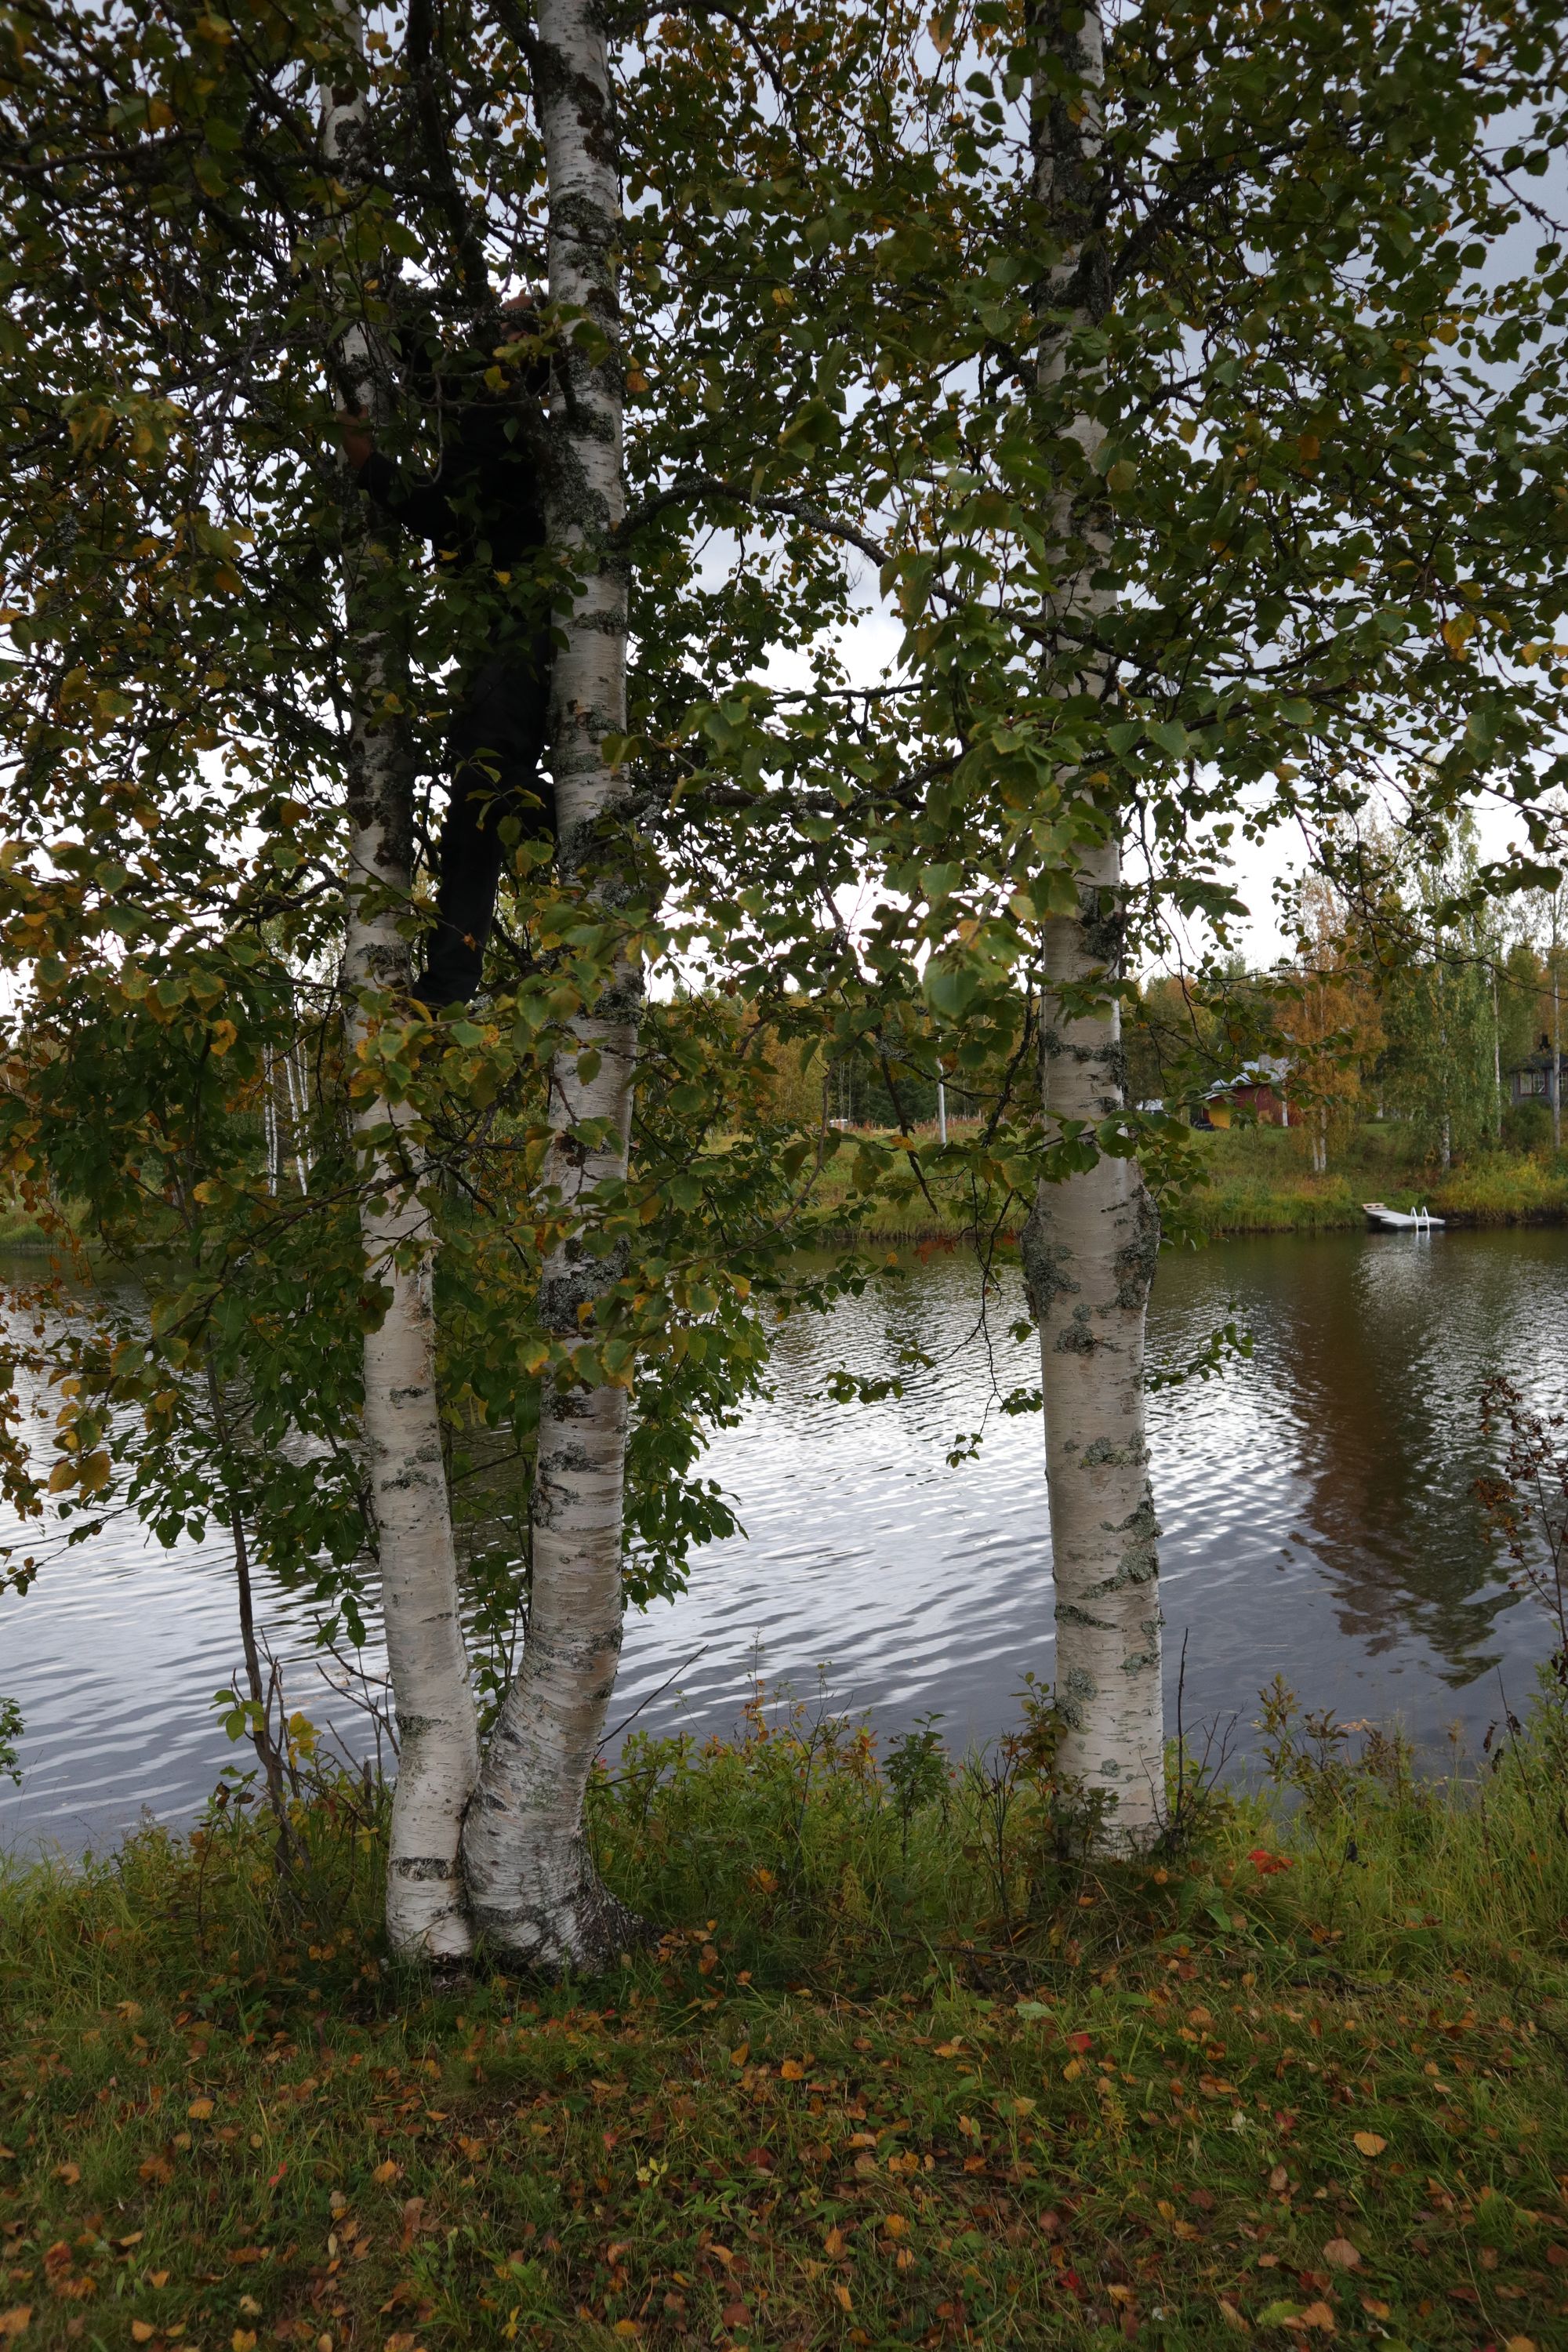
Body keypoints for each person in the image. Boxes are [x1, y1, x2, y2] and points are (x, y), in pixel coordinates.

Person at [339, 294, 553, 1008]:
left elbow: (452, 510)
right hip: (491, 633)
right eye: (499, 321)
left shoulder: (515, 423)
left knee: (486, 786)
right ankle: (451, 982)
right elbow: (451, 516)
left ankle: (594, 826)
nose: (500, 329)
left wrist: (371, 465)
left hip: (523, 628)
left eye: (517, 326)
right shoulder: (477, 409)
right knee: (473, 813)